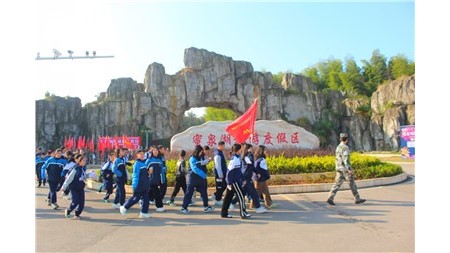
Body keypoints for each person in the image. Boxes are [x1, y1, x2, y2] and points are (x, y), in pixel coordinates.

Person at [327, 133, 366, 206]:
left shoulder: (338, 147)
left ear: (340, 139)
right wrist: (349, 169)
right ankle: (357, 199)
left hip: (339, 168)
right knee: (352, 184)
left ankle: (330, 197)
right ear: (347, 140)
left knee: (337, 184)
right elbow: (345, 159)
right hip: (345, 169)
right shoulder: (345, 148)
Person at [231, 144, 267, 213]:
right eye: (251, 148)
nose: (252, 149)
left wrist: (257, 172)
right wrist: (250, 153)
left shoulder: (247, 156)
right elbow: (250, 162)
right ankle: (258, 208)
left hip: (246, 177)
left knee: (242, 193)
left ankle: (231, 203)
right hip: (246, 178)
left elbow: (252, 166)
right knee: (254, 193)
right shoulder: (245, 157)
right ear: (248, 149)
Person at [180, 145, 214, 214]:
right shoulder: (192, 158)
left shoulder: (199, 158)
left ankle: (206, 206)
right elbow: (195, 169)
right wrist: (203, 175)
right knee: (189, 194)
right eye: (201, 151)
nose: (202, 153)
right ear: (198, 151)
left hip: (199, 179)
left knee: (204, 193)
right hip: (192, 179)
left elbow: (202, 163)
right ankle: (183, 208)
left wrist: (207, 161)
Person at [221, 143, 251, 219]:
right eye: (241, 149)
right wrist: (229, 183)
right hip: (233, 181)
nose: (242, 150)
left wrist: (242, 178)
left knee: (228, 197)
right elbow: (229, 172)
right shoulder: (234, 159)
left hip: (234, 180)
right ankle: (243, 213)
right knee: (241, 196)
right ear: (238, 150)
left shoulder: (237, 158)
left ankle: (224, 213)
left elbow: (238, 171)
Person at [120, 150, 151, 218]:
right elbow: (135, 175)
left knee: (146, 199)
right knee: (136, 198)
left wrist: (149, 173)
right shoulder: (137, 163)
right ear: (137, 155)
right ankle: (124, 207)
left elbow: (146, 174)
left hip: (145, 185)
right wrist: (135, 185)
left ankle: (144, 212)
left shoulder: (145, 163)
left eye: (143, 154)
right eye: (140, 154)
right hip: (139, 184)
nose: (142, 155)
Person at [61, 154, 87, 219]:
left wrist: (90, 175)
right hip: (74, 188)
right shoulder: (75, 169)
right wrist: (64, 187)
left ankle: (77, 214)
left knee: (81, 203)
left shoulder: (82, 169)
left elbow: (83, 177)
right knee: (75, 202)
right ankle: (68, 210)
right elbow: (69, 178)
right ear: (79, 161)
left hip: (81, 188)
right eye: (83, 160)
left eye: (85, 161)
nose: (84, 162)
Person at [146, 146, 166, 212]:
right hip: (151, 180)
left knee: (150, 193)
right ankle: (159, 206)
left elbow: (162, 171)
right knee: (157, 193)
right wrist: (148, 171)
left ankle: (143, 200)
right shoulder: (149, 160)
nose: (155, 152)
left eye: (156, 150)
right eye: (154, 150)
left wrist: (162, 179)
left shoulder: (160, 160)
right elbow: (145, 169)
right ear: (152, 152)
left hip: (157, 179)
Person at [211, 141, 227, 206]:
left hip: (222, 173)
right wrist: (220, 175)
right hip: (219, 175)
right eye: (223, 146)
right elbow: (218, 166)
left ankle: (215, 195)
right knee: (220, 187)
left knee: (224, 186)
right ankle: (218, 200)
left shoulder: (220, 153)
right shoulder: (217, 154)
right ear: (220, 145)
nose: (224, 147)